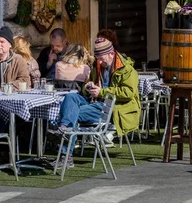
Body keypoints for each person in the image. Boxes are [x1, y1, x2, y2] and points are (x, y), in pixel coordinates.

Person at [52, 38, 140, 168]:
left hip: (114, 109)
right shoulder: (98, 66)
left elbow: (129, 93)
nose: (99, 61)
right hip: (96, 103)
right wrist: (88, 87)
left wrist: (102, 92)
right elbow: (85, 89)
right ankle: (65, 129)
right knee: (71, 97)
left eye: (101, 58)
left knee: (71, 113)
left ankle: (66, 154)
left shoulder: (127, 69)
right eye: (97, 57)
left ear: (111, 53)